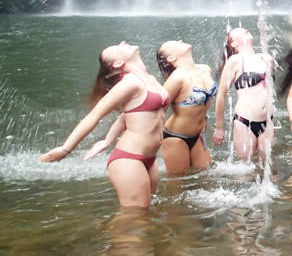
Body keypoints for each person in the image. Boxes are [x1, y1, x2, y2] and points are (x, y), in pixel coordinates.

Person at [40, 42, 169, 208]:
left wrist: (107, 140)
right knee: (134, 217)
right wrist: (66, 149)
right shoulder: (129, 84)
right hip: (129, 159)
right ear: (117, 64)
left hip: (150, 159)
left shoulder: (149, 80)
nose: (122, 43)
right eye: (116, 47)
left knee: (146, 214)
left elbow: (132, 115)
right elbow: (94, 115)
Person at [212, 28, 275, 162]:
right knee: (245, 169)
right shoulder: (235, 61)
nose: (245, 29)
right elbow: (221, 95)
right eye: (240, 31)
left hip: (268, 121)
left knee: (268, 167)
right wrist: (219, 127)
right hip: (245, 122)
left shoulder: (267, 59)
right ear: (233, 44)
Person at [156, 40, 216, 173]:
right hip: (175, 137)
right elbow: (158, 110)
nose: (180, 41)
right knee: (177, 185)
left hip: (197, 136)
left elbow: (204, 103)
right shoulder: (177, 77)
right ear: (171, 58)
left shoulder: (205, 69)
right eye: (175, 43)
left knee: (206, 179)